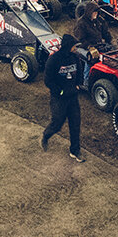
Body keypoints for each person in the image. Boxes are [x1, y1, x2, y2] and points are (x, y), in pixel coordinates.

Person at [40, 33, 88, 161]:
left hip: (73, 98)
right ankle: (46, 135)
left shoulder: (75, 57)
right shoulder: (54, 59)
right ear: (68, 46)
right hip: (59, 99)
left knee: (75, 124)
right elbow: (48, 80)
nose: (76, 48)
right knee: (57, 123)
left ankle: (75, 151)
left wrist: (78, 84)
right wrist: (60, 91)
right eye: (74, 46)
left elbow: (80, 71)